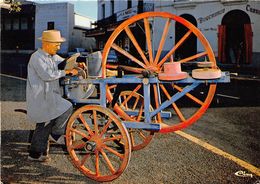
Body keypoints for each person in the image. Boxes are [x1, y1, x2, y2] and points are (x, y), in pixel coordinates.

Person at [26, 30, 78, 162]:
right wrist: (66, 71)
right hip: (40, 97)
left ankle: (40, 151)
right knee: (44, 123)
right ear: (46, 43)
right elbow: (47, 75)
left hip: (49, 96)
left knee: (51, 119)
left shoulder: (51, 56)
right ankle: (37, 152)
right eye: (56, 44)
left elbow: (64, 62)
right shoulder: (36, 57)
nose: (58, 47)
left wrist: (77, 64)